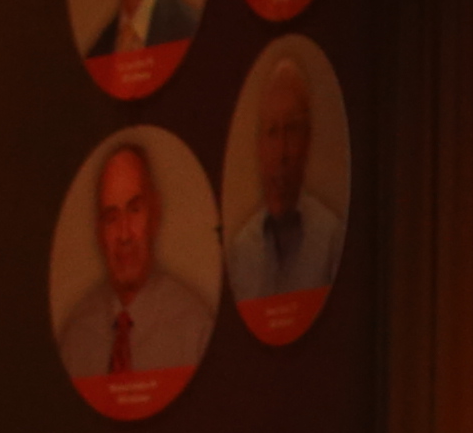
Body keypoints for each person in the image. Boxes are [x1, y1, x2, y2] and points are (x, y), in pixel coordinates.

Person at [54, 140, 214, 389]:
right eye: (111, 218)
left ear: (155, 214)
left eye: (135, 210)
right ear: (99, 233)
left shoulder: (195, 331)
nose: (124, 234)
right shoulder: (76, 340)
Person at [222, 49, 344, 313]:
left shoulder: (331, 239)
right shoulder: (241, 251)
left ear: (308, 140)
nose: (282, 153)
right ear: (259, 146)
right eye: (272, 132)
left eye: (292, 130)